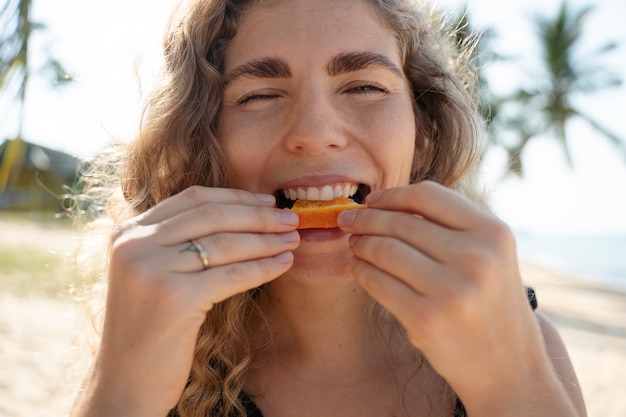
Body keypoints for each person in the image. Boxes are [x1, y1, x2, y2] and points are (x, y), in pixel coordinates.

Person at [70, 0, 587, 416]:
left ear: (422, 134)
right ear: (203, 141)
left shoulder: (522, 342)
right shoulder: (153, 337)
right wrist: (121, 393)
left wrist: (512, 386)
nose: (315, 135)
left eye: (364, 86)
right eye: (258, 95)